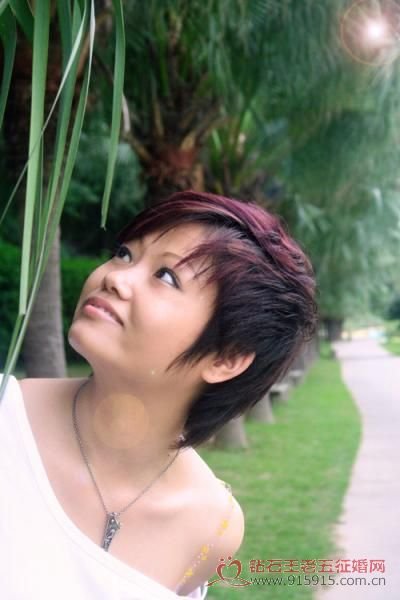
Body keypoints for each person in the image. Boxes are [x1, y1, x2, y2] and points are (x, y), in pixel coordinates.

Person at [0, 190, 318, 599]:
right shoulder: (6, 415)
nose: (115, 277)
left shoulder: (214, 527)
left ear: (227, 357)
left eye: (166, 276)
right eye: (124, 254)